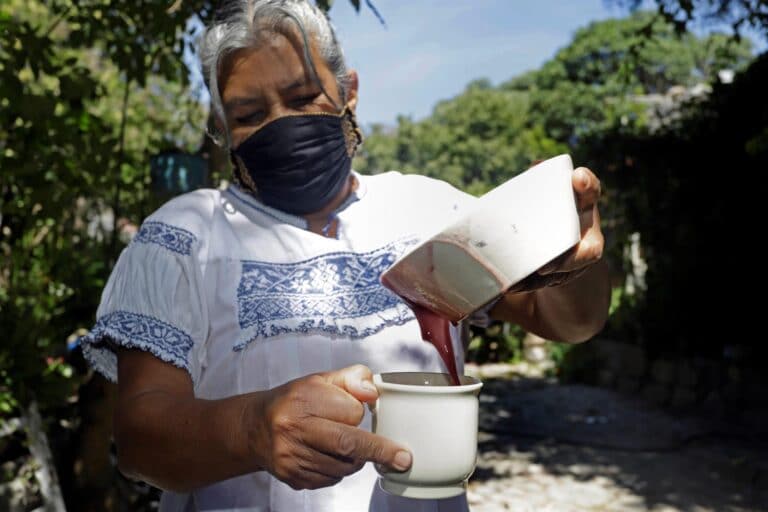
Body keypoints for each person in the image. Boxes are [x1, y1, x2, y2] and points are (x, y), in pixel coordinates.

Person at [81, 1, 611, 510]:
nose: (281, 124)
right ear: (222, 130)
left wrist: (573, 261)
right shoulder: (184, 236)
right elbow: (141, 440)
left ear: (349, 92)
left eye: (304, 96)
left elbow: (569, 322)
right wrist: (250, 429)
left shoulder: (428, 209)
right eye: (249, 114)